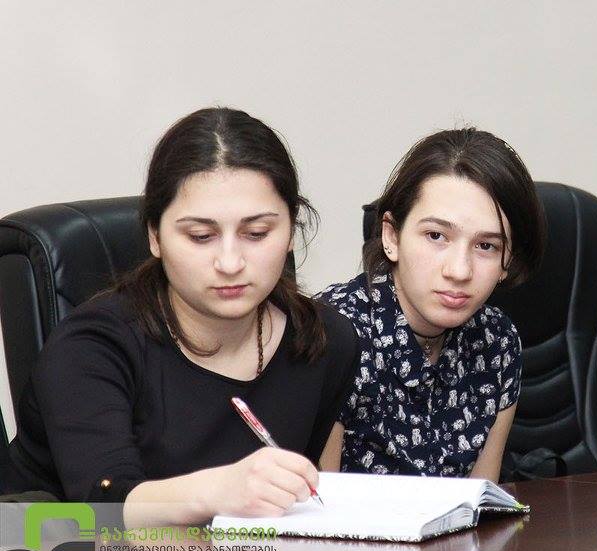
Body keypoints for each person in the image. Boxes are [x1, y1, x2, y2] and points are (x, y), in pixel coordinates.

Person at [4, 108, 358, 527]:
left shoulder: (325, 340)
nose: (230, 262)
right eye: (201, 236)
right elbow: (102, 505)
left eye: (257, 233)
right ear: (155, 236)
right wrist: (219, 491)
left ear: (291, 232)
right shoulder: (92, 346)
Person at [316, 128, 545, 482]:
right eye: (436, 236)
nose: (459, 271)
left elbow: (480, 501)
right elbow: (321, 506)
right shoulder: (335, 333)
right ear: (391, 236)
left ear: (507, 261)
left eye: (486, 246)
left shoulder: (496, 340)